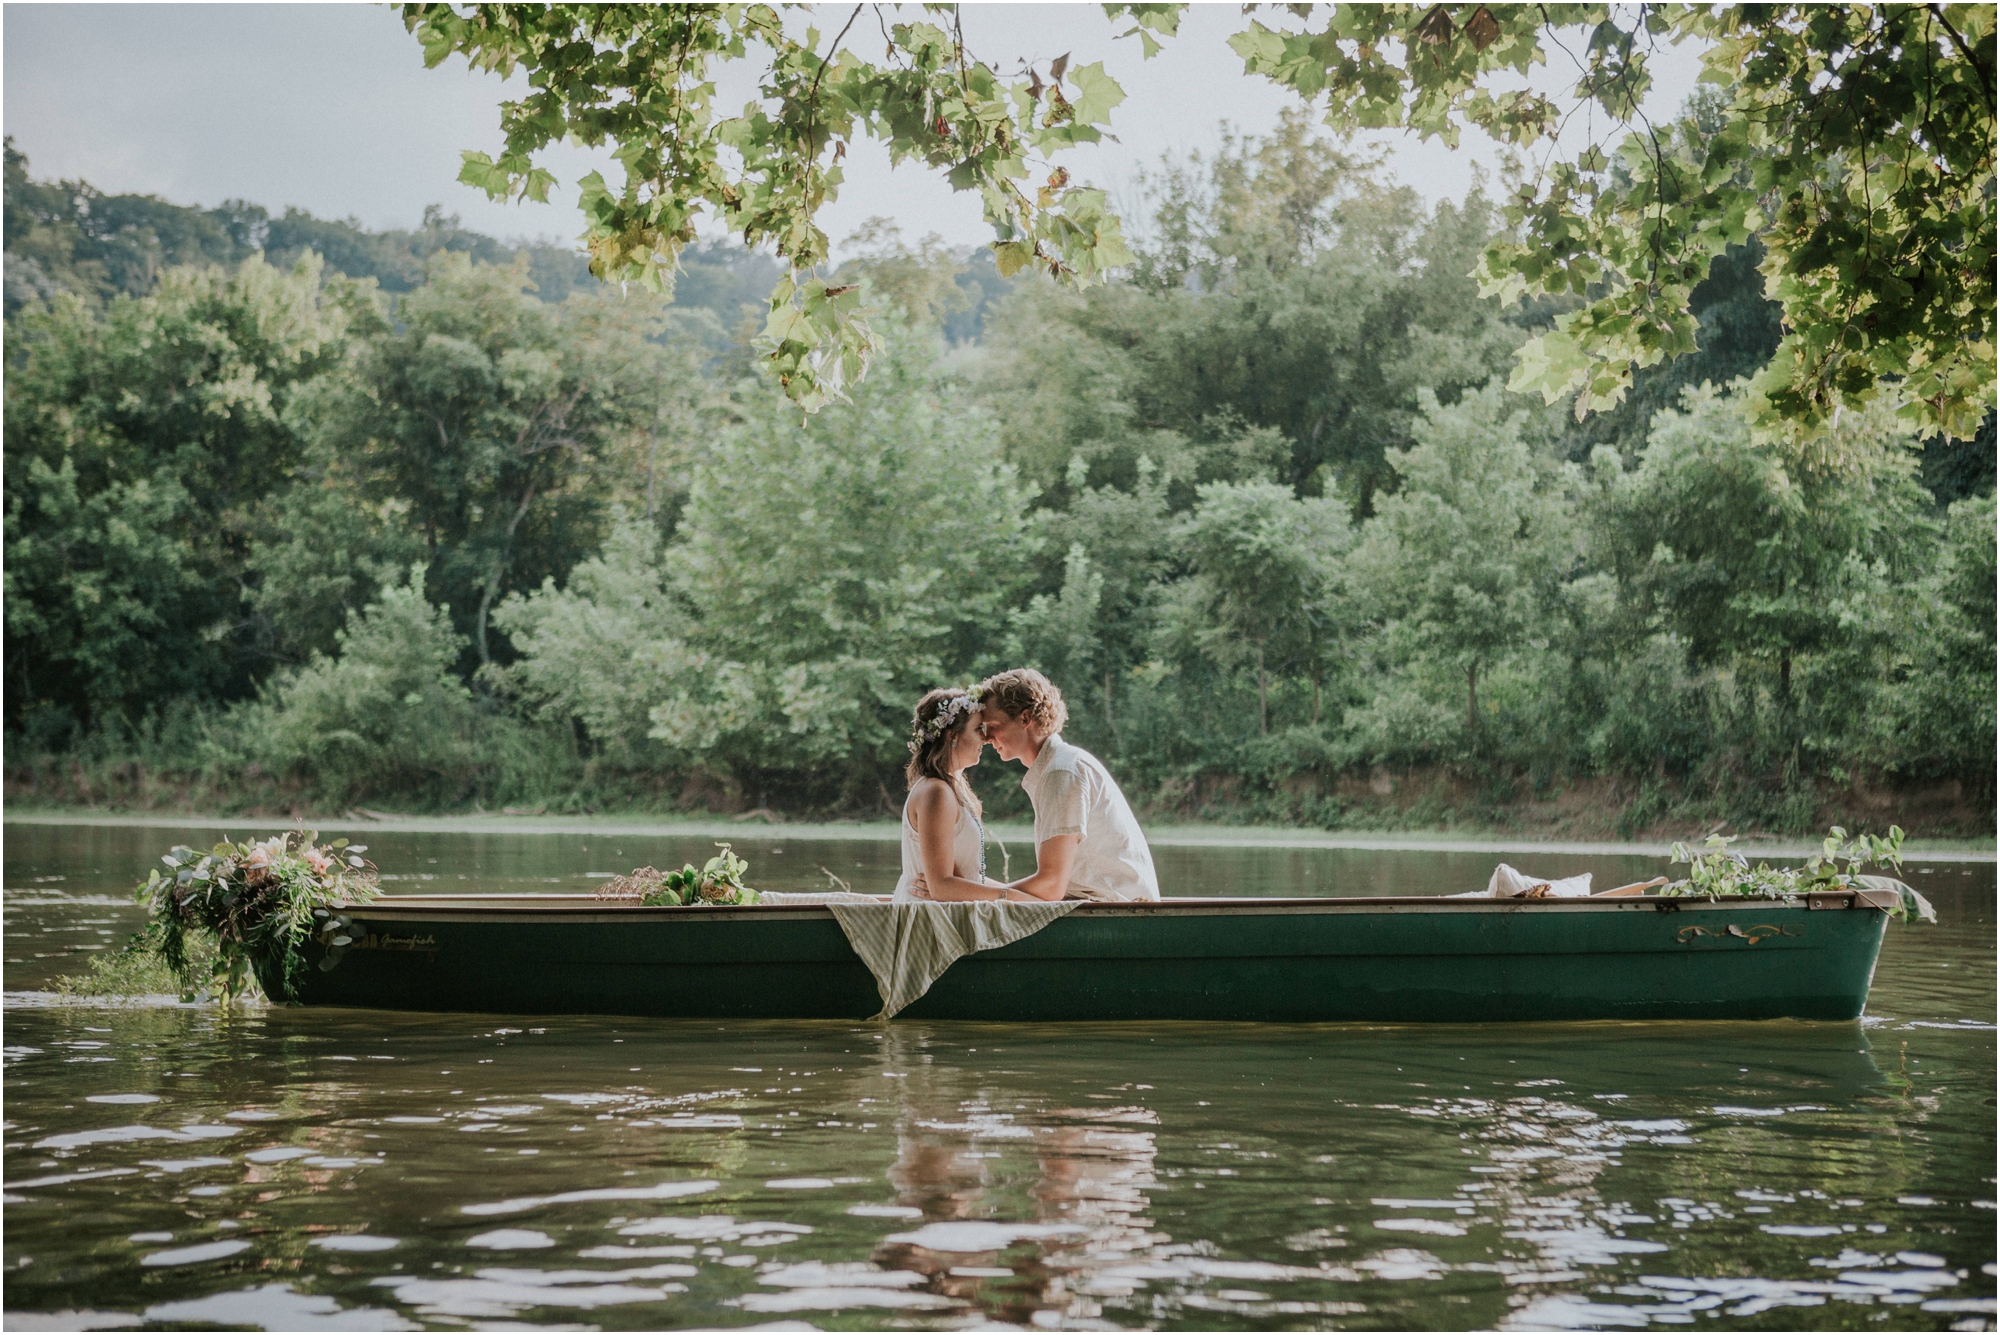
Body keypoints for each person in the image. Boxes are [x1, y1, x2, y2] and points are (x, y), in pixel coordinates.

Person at [915, 668, 1160, 903]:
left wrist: (967, 893)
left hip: (1117, 907)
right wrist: (961, 888)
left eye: (993, 727)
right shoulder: (1057, 767)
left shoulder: (1061, 772)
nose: (987, 738)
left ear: (1025, 718)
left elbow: (1051, 885)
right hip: (1099, 903)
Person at [893, 687, 1034, 903]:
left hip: (951, 912)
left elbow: (969, 879)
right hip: (932, 919)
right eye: (978, 729)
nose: (986, 738)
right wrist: (1010, 896)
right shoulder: (935, 792)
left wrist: (1019, 895)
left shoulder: (952, 789)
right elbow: (941, 887)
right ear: (953, 736)